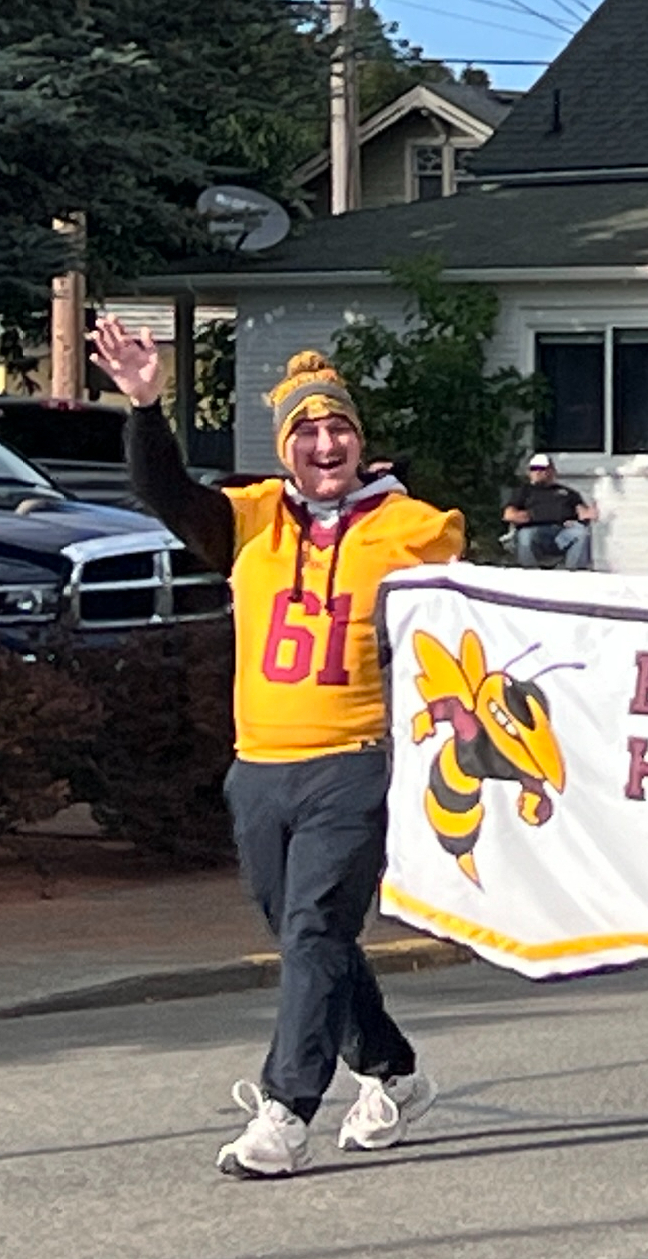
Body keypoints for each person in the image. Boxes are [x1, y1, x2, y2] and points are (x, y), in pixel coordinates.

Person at [91, 319, 465, 1177]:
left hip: (356, 760)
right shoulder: (254, 518)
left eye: (338, 428)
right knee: (309, 939)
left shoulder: (411, 527)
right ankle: (394, 1072)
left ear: (360, 442)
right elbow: (164, 492)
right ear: (283, 447)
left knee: (315, 925)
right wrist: (146, 405)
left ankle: (285, 1109)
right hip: (259, 766)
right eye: (306, 431)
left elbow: (474, 620)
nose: (325, 444)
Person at [502, 454, 593, 569]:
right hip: (535, 531)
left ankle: (574, 574)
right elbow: (509, 515)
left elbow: (583, 513)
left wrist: (589, 514)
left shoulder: (567, 493)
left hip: (562, 532)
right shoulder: (524, 491)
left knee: (580, 533)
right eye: (533, 469)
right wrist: (531, 516)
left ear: (552, 470)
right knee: (526, 535)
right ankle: (529, 573)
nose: (537, 472)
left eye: (541, 468)